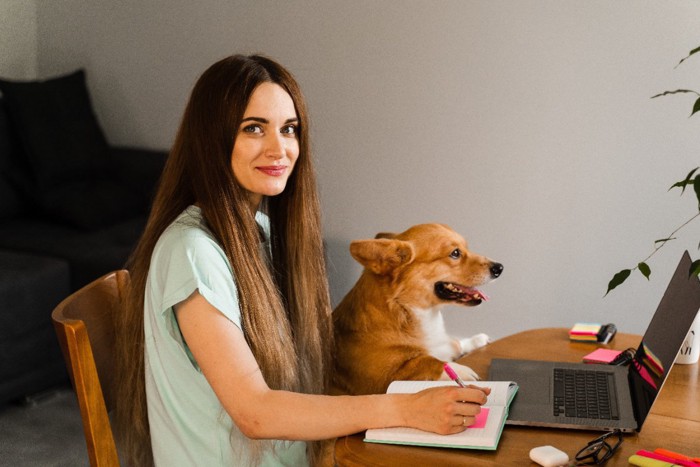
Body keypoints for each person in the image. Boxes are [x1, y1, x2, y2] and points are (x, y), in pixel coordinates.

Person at [114, 54, 489, 467]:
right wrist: (404, 409)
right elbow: (255, 412)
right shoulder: (193, 251)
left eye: (289, 129)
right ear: (211, 138)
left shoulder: (260, 233)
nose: (279, 149)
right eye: (254, 128)